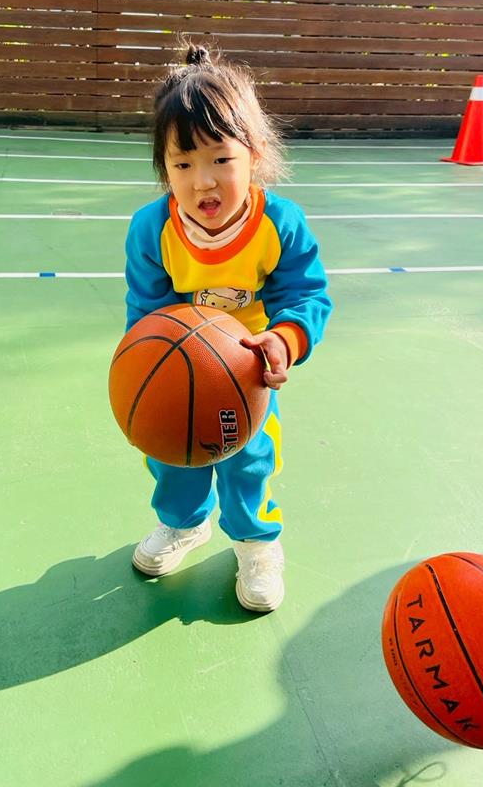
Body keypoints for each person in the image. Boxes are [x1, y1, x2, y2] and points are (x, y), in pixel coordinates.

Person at [123, 45, 332, 612]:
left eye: (220, 159)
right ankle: (184, 523)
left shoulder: (279, 223)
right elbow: (146, 312)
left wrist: (283, 340)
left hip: (249, 370)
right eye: (182, 165)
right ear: (164, 169)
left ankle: (257, 542)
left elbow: (306, 295)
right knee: (171, 453)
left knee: (249, 460)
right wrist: (145, 374)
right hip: (177, 368)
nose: (203, 182)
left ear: (254, 154)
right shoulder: (151, 230)